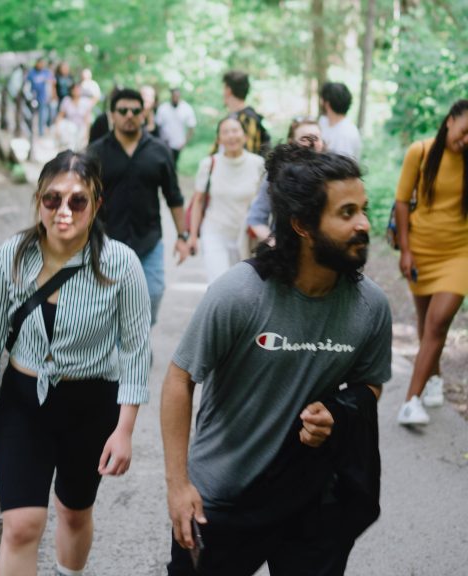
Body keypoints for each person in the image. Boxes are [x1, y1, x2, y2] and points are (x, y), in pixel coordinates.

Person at [161, 144, 392, 576]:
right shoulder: (240, 294)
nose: (364, 224)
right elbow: (179, 379)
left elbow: (371, 382)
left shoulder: (370, 307)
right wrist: (178, 486)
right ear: (303, 224)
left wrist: (337, 413)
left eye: (363, 209)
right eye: (346, 213)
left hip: (313, 498)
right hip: (224, 498)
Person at [0, 151, 151, 576]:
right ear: (38, 201)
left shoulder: (121, 265)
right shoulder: (11, 257)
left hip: (91, 405)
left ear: (97, 205)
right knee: (22, 526)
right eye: (52, 199)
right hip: (24, 403)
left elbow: (137, 352)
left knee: (75, 511)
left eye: (77, 201)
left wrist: (125, 430)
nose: (64, 211)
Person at [88, 88, 191, 325]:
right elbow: (83, 199)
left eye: (135, 111)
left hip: (148, 241)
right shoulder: (95, 153)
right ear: (112, 115)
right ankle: (118, 353)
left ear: (144, 114)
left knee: (153, 293)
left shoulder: (159, 150)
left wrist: (182, 236)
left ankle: (139, 338)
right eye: (122, 110)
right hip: (106, 242)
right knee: (107, 305)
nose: (129, 115)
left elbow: (174, 197)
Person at [395, 99, 468, 426]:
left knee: (438, 323)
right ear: (451, 120)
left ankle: (410, 402)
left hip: (460, 254)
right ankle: (434, 377)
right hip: (422, 250)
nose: (467, 140)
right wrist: (406, 251)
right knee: (426, 324)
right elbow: (400, 202)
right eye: (465, 131)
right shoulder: (420, 152)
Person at [188, 116, 264, 283]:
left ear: (244, 136)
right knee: (219, 284)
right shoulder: (209, 164)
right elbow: (198, 201)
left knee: (244, 287)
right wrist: (193, 236)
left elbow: (264, 203)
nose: (231, 136)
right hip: (215, 232)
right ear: (219, 139)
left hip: (246, 237)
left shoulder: (258, 164)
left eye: (235, 131)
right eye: (226, 132)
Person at [247, 116, 325, 242]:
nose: (311, 143)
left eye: (316, 138)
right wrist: (273, 243)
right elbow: (256, 218)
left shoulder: (331, 175)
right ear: (291, 141)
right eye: (304, 138)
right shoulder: (276, 174)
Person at [216, 70, 271, 156]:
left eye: (224, 88)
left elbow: (249, 154)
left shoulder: (248, 119)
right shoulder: (230, 118)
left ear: (228, 90)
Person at [319, 82, 361, 160]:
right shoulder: (323, 121)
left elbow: (342, 169)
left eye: (322, 99)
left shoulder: (347, 133)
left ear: (327, 104)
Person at [156, 88, 197, 166]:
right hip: (164, 143)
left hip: (177, 143)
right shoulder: (163, 108)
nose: (175, 98)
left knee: (173, 164)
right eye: (174, 96)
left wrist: (185, 142)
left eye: (177, 96)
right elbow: (158, 126)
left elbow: (191, 127)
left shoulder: (186, 108)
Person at [55, 83, 93, 151]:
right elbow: (60, 115)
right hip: (69, 128)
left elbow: (87, 119)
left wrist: (87, 133)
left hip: (81, 128)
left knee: (80, 148)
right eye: (75, 90)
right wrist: (57, 128)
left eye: (78, 89)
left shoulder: (86, 102)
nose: (77, 91)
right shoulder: (66, 100)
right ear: (71, 91)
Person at [27, 57, 54, 136]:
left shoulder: (46, 72)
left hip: (43, 97)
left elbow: (52, 82)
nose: (41, 65)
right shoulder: (31, 73)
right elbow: (27, 84)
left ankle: (41, 132)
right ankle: (31, 131)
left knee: (43, 115)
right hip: (33, 97)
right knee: (32, 115)